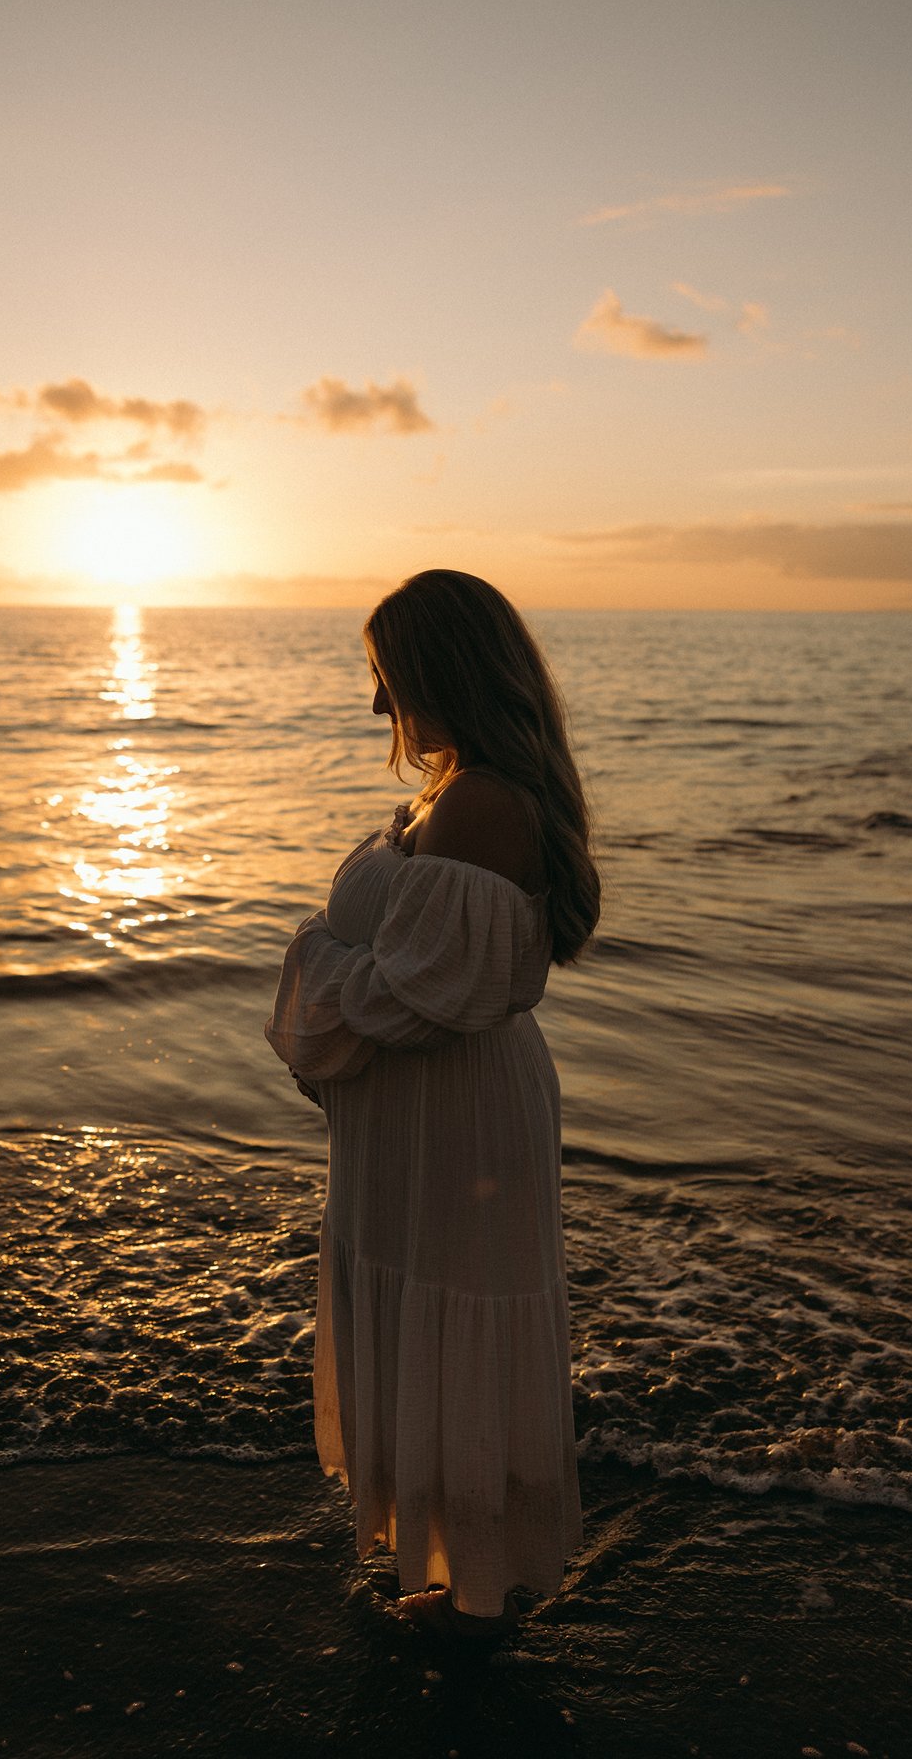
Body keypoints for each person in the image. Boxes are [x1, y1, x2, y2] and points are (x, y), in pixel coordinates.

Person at [264, 569, 600, 1636]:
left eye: (388, 679)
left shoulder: (484, 803)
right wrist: (337, 969)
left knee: (452, 1311)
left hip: (454, 1119)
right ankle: (451, 1571)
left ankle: (479, 1592)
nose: (378, 708)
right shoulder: (450, 789)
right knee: (423, 1306)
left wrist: (312, 951)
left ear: (441, 672)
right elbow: (400, 981)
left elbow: (408, 997)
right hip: (423, 1116)